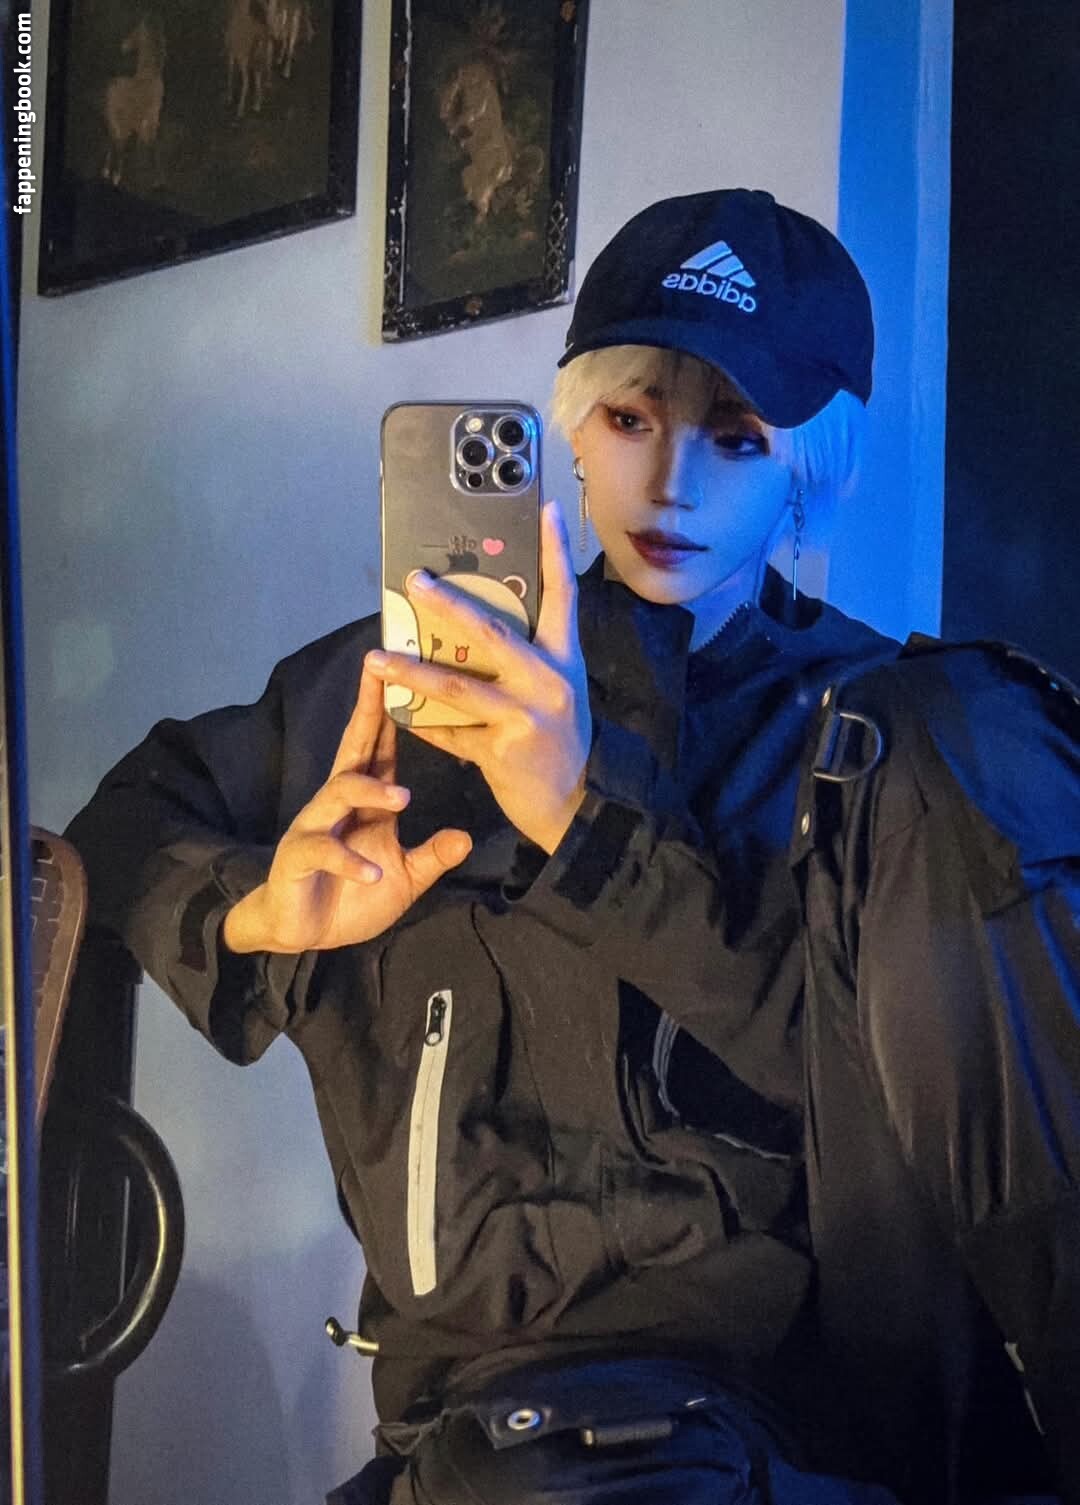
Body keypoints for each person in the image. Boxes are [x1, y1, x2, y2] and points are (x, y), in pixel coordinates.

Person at [65, 190, 1079, 1505]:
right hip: (464, 1420)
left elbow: (879, 1088)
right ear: (577, 432)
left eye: (737, 438)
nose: (672, 484)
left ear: (807, 469)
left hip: (779, 1415)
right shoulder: (406, 682)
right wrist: (255, 912)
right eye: (632, 420)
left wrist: (578, 828)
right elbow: (120, 826)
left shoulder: (887, 742)